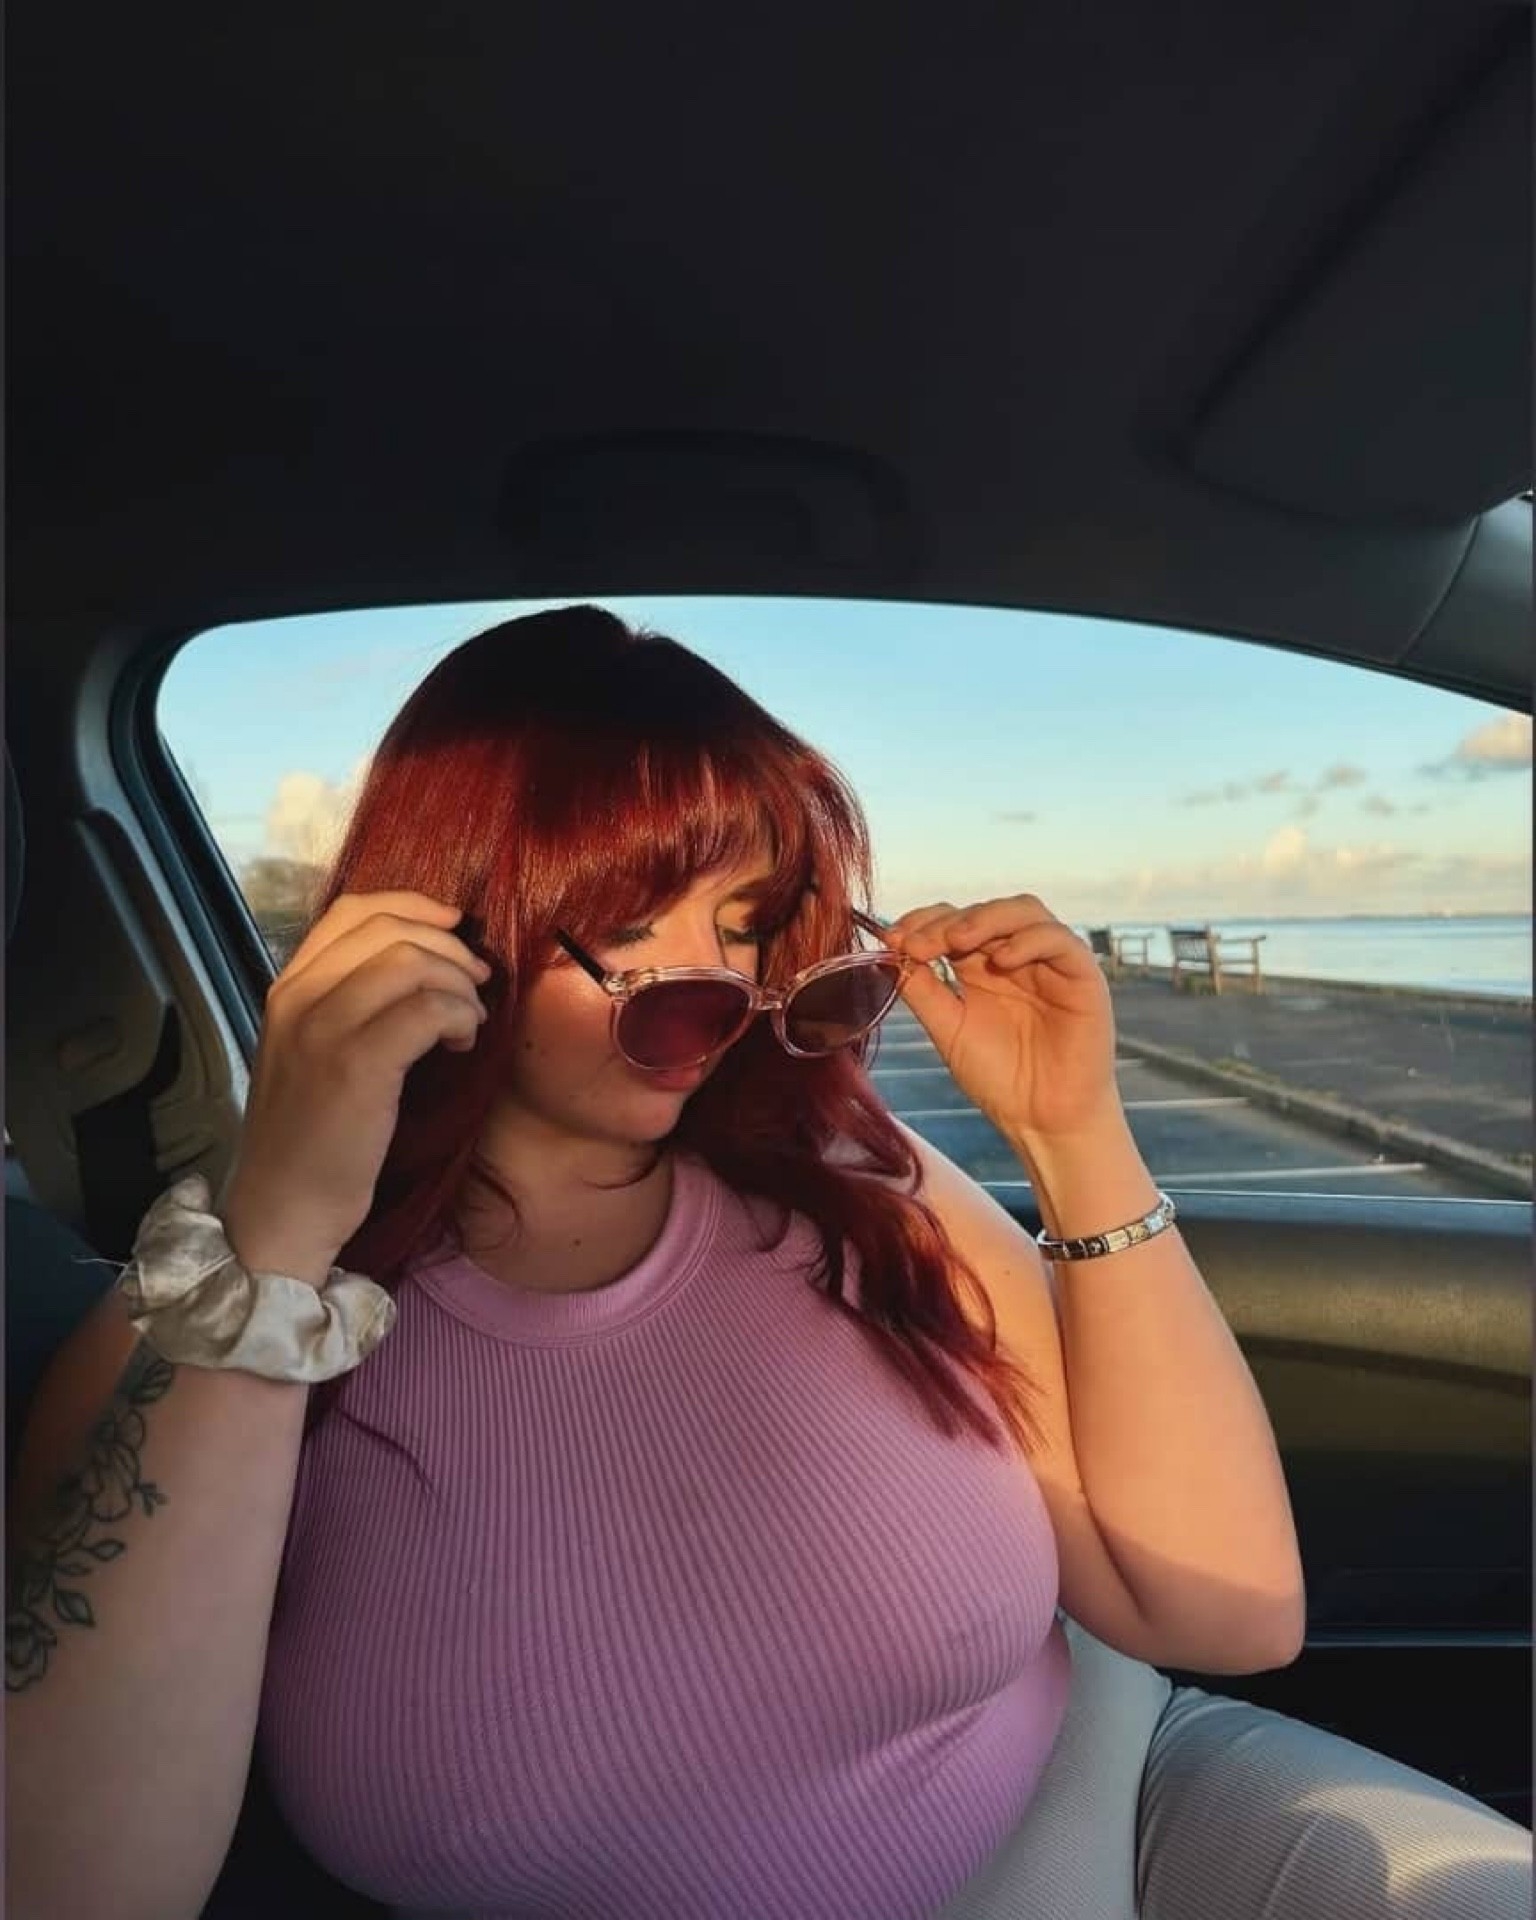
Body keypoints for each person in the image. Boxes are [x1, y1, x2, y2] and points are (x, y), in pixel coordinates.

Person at [7, 607, 1527, 1920]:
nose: (720, 992)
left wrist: (1074, 1136)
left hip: (1100, 1816)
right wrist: (279, 1240)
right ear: (447, 934)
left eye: (746, 928)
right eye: (629, 930)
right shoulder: (225, 1307)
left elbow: (1224, 1616)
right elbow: (68, 1884)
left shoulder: (861, 1179)